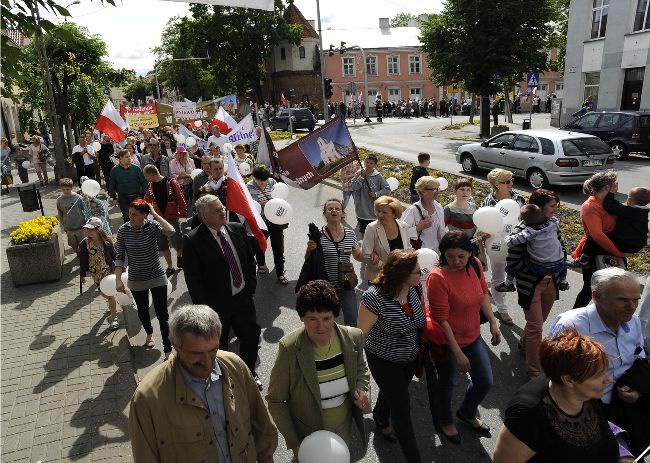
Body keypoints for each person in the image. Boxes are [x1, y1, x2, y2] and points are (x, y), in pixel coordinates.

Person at [128, 304, 277, 463]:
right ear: (176, 346)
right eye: (196, 353)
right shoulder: (147, 399)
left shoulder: (235, 366)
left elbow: (263, 427)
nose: (207, 362)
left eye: (213, 350)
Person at [493, 329, 633, 463]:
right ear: (569, 380)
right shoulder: (528, 416)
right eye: (598, 376)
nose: (608, 380)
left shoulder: (586, 394)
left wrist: (623, 453)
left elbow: (603, 427)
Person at [549, 268, 647, 457]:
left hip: (624, 409)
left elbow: (639, 356)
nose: (632, 306)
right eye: (623, 299)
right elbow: (556, 378)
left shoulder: (633, 322)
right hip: (586, 411)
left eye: (636, 299)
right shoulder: (571, 326)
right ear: (597, 296)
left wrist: (637, 389)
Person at [266, 280, 370, 457]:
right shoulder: (289, 348)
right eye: (312, 319)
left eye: (327, 318)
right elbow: (276, 400)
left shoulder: (354, 337)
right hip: (308, 435)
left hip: (343, 428)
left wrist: (362, 388)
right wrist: (295, 443)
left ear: (335, 316)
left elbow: (360, 368)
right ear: (301, 317)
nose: (320, 326)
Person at [426, 231, 501, 444]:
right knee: (447, 383)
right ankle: (445, 420)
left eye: (461, 256)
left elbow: (483, 294)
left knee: (484, 381)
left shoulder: (475, 264)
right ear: (443, 255)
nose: (456, 261)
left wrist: (493, 323)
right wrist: (457, 352)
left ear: (470, 254)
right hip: (447, 341)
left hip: (473, 335)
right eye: (450, 256)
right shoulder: (438, 277)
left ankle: (467, 412)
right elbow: (442, 319)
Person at [182, 195, 264, 389]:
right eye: (216, 211)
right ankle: (224, 380)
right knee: (219, 347)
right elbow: (194, 280)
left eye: (222, 208)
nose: (223, 212)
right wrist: (204, 311)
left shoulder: (236, 229)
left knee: (251, 337)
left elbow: (248, 260)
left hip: (243, 298)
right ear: (203, 217)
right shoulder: (193, 240)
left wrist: (250, 287)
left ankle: (249, 373)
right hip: (216, 306)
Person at [357, 249, 425, 462]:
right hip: (383, 360)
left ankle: (380, 417)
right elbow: (360, 336)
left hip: (409, 357)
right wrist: (357, 374)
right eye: (417, 272)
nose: (421, 275)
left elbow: (418, 322)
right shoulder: (374, 298)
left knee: (393, 393)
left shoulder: (415, 289)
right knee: (402, 409)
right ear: (402, 275)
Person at [502, 189, 567, 379]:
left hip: (552, 282)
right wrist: (534, 268)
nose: (555, 210)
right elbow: (513, 259)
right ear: (539, 207)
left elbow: (560, 245)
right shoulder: (523, 230)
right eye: (552, 206)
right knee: (536, 327)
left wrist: (558, 266)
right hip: (531, 285)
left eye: (556, 206)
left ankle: (524, 344)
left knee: (538, 322)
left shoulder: (552, 224)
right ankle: (534, 371)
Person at [115, 199, 175, 360]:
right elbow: (119, 257)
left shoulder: (152, 226)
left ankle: (168, 350)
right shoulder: (123, 231)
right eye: (130, 214)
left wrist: (155, 214)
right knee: (142, 311)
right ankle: (149, 333)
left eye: (135, 215)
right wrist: (118, 279)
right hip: (136, 279)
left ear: (144, 215)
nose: (131, 217)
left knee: (163, 315)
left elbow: (171, 231)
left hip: (157, 276)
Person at [571, 171, 631, 309]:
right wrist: (618, 252)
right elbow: (597, 235)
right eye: (615, 183)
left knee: (614, 289)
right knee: (590, 289)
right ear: (606, 187)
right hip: (594, 252)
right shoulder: (590, 206)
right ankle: (573, 322)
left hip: (610, 250)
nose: (617, 185)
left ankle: (606, 320)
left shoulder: (608, 203)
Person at [305, 199, 362, 326]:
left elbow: (358, 255)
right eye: (330, 209)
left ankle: (350, 344)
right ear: (325, 214)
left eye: (337, 208)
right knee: (327, 322)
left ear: (343, 213)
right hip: (326, 286)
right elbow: (308, 259)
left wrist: (371, 254)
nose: (334, 211)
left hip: (346, 283)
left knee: (352, 321)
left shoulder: (350, 234)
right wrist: (309, 249)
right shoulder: (318, 236)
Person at [481, 168, 526, 325]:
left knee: (514, 274)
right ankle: (502, 309)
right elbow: (484, 221)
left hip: (516, 242)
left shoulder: (519, 198)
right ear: (496, 184)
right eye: (506, 182)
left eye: (511, 180)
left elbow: (524, 219)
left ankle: (498, 295)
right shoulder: (489, 201)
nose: (510, 184)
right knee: (498, 275)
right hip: (496, 243)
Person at [498, 203, 569, 293]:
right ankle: (563, 281)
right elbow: (554, 219)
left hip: (540, 267)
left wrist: (507, 236)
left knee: (515, 259)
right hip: (558, 266)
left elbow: (511, 242)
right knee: (561, 256)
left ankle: (508, 283)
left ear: (525, 222)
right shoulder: (553, 223)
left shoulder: (529, 232)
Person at [578, 187, 650, 266]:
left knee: (594, 239)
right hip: (637, 244)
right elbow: (619, 206)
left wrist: (611, 193)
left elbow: (609, 206)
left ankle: (583, 259)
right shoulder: (642, 212)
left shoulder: (629, 211)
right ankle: (610, 257)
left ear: (629, 200)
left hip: (625, 242)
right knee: (605, 240)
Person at [143, 164, 187, 276]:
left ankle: (179, 256)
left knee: (177, 240)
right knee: (162, 244)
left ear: (152, 174)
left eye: (146, 176)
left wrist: (182, 214)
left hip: (172, 216)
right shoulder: (151, 185)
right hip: (159, 218)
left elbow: (181, 198)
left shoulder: (171, 182)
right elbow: (146, 200)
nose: (146, 179)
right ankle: (170, 266)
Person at [247, 166, 288, 284]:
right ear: (254, 178)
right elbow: (250, 204)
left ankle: (280, 273)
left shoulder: (272, 182)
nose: (262, 184)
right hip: (260, 220)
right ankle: (260, 264)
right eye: (260, 181)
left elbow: (280, 198)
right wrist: (264, 203)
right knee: (260, 243)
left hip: (274, 218)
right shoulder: (249, 186)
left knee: (277, 246)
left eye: (264, 181)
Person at [78, 217, 119, 331]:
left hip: (108, 272)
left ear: (98, 229)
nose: (89, 232)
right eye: (87, 229)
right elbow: (83, 260)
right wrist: (83, 274)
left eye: (91, 229)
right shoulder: (85, 243)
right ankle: (112, 306)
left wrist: (120, 270)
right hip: (95, 273)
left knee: (110, 295)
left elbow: (115, 257)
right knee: (103, 293)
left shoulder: (107, 242)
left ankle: (114, 318)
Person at [361, 196, 411, 282]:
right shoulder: (371, 228)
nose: (380, 214)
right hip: (379, 277)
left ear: (395, 214)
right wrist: (389, 268)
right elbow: (366, 254)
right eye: (379, 211)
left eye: (384, 212)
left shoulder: (404, 226)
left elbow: (408, 248)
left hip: (400, 275)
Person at [403, 176, 445, 252]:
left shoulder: (438, 206)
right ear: (423, 191)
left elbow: (441, 232)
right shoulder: (413, 210)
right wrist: (418, 227)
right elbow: (401, 233)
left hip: (438, 252)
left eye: (438, 189)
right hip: (421, 253)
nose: (438, 192)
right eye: (434, 189)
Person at [351, 155, 390, 235]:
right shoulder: (359, 173)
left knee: (374, 233)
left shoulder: (378, 176)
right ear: (364, 162)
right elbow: (353, 187)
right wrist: (361, 177)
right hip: (361, 210)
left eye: (371, 163)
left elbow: (387, 189)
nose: (368, 164)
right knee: (363, 233)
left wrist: (376, 194)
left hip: (373, 212)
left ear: (375, 165)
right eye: (367, 162)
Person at [108, 149, 148, 223]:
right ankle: (130, 233)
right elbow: (111, 184)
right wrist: (113, 197)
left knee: (139, 216)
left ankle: (141, 233)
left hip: (137, 197)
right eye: (127, 157)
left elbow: (143, 181)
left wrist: (145, 194)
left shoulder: (136, 168)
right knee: (127, 217)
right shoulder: (114, 170)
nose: (129, 158)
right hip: (123, 198)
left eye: (129, 156)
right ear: (120, 158)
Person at [56, 178, 85, 254]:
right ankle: (77, 252)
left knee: (82, 243)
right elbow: (60, 213)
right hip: (69, 227)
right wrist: (63, 225)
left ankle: (83, 255)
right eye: (63, 189)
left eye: (67, 189)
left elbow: (85, 208)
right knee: (72, 243)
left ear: (71, 188)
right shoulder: (59, 200)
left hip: (80, 226)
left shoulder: (78, 198)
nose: (65, 191)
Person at [169, 145, 195, 217]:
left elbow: (194, 171)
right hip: (181, 185)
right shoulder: (173, 162)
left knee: (193, 201)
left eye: (184, 153)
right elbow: (172, 174)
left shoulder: (190, 161)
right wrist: (181, 176)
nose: (182, 155)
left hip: (191, 184)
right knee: (183, 202)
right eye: (180, 153)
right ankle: (183, 217)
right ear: (177, 154)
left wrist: (191, 175)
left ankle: (193, 216)